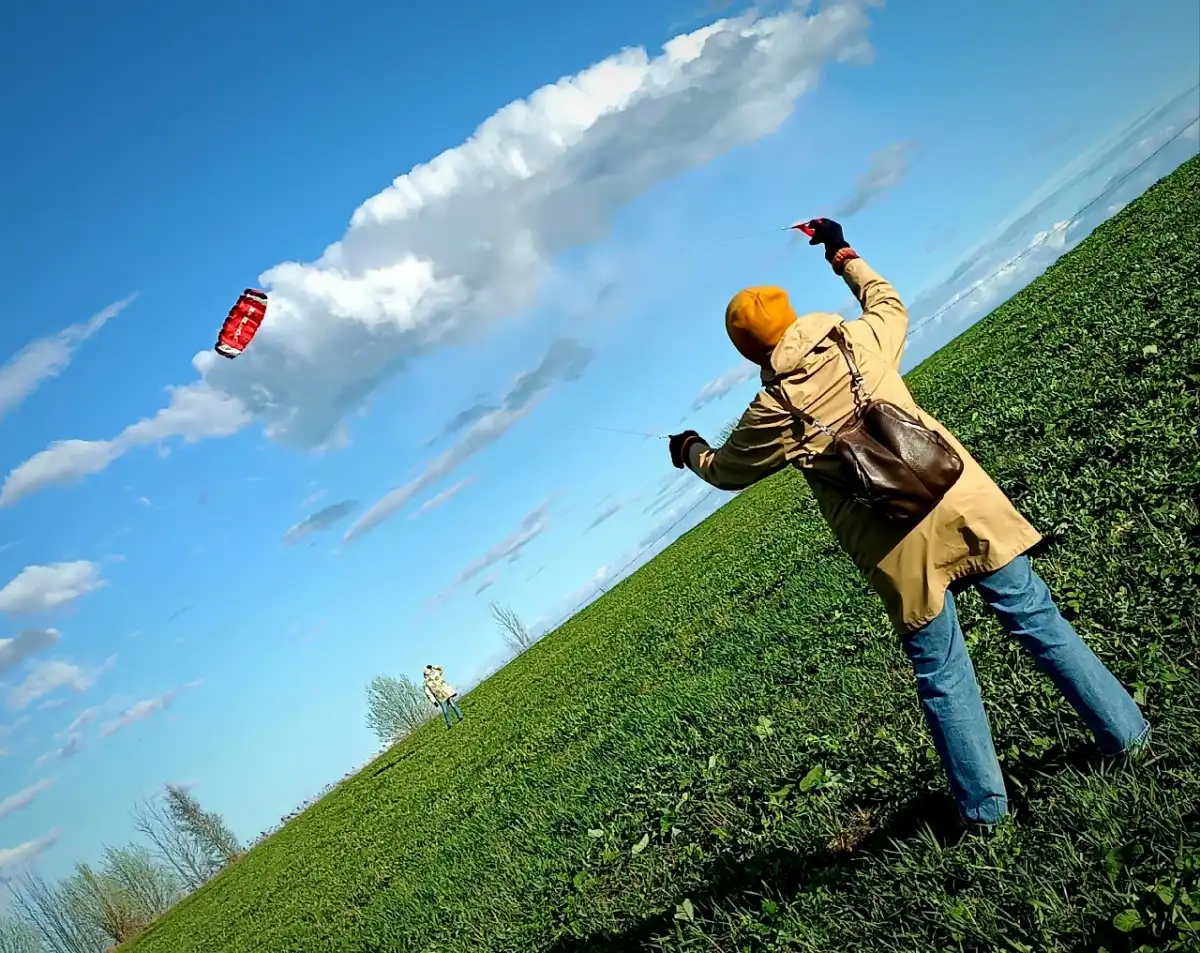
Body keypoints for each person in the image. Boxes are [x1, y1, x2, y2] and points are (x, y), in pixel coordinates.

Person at [668, 217, 1149, 829]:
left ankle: (986, 817)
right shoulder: (859, 340)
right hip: (960, 501)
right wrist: (841, 253)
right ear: (791, 318)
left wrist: (688, 450)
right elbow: (885, 298)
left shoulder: (769, 413)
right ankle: (1127, 737)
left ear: (749, 351)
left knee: (942, 671)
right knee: (1037, 619)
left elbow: (725, 472)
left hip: (896, 543)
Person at [423, 664, 464, 729]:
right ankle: (449, 724)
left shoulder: (436, 674)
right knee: (445, 711)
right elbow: (428, 694)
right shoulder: (426, 683)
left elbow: (440, 668)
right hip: (440, 697)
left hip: (447, 692)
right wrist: (434, 701)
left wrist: (433, 667)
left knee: (453, 705)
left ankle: (460, 716)